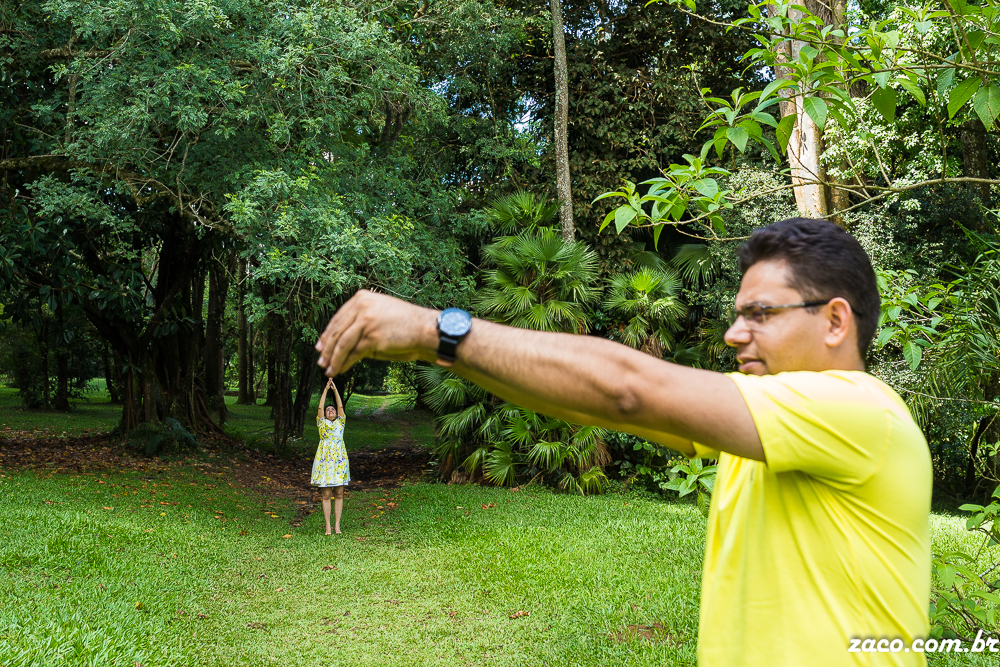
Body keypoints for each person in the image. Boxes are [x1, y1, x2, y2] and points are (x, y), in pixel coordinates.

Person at [314, 218, 932, 666]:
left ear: (835, 320)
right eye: (738, 313)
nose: (732, 333)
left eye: (760, 314)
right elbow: (586, 404)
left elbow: (627, 390)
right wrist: (442, 351)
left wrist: (437, 329)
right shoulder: (772, 426)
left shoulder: (859, 411)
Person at [313, 377, 349, 535]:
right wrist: (326, 389)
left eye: (332, 410)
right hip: (325, 461)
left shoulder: (341, 423)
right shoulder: (321, 423)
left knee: (339, 493)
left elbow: (340, 406)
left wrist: (335, 390)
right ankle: (328, 525)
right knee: (326, 494)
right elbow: (320, 407)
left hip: (339, 461)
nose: (330, 411)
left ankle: (337, 525)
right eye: (328, 410)